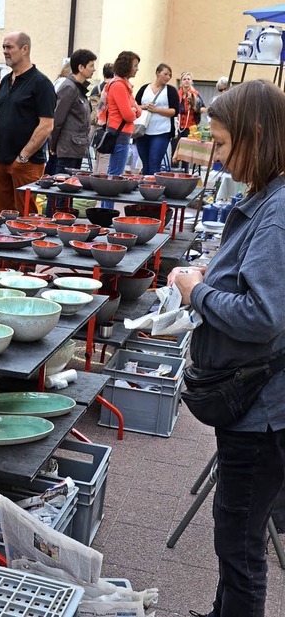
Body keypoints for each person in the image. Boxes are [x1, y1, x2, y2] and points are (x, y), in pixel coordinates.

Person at [169, 80, 285, 617]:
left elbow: (263, 316)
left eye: (219, 143)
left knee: (238, 543)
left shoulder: (278, 211)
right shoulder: (268, 198)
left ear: (255, 137)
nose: (214, 156)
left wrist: (198, 291)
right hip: (257, 402)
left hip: (262, 412)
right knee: (234, 532)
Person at [0, 31, 55, 215]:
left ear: (24, 49)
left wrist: (23, 157)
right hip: (1, 160)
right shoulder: (5, 81)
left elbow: (46, 125)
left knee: (26, 217)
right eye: (3, 47)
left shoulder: (41, 83)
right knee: (3, 216)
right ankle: (3, 244)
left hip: (26, 164)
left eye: (9, 47)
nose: (5, 51)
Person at [46, 49, 96, 216]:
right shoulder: (69, 87)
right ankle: (53, 221)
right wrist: (53, 145)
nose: (94, 69)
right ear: (81, 67)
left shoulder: (79, 88)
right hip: (66, 149)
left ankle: (63, 221)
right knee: (60, 191)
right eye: (91, 65)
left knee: (70, 190)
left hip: (75, 149)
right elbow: (57, 119)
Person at [98, 50, 141, 176]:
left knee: (116, 171)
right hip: (119, 133)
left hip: (122, 132)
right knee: (115, 174)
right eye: (135, 65)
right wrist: (133, 111)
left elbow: (138, 109)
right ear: (126, 66)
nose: (137, 69)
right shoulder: (119, 86)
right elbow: (128, 115)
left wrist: (134, 110)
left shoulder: (125, 85)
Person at [134, 63, 179, 176]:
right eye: (165, 74)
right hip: (142, 131)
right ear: (157, 73)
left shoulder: (171, 91)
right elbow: (134, 106)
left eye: (170, 75)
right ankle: (144, 189)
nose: (168, 77)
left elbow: (174, 111)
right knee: (145, 163)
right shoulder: (144, 88)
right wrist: (144, 107)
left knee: (154, 163)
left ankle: (153, 189)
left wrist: (157, 110)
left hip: (161, 131)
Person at [172, 71, 206, 169]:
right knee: (175, 150)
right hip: (177, 126)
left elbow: (204, 108)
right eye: (184, 79)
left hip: (190, 127)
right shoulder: (176, 94)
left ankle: (185, 173)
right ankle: (173, 172)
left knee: (186, 153)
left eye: (188, 79)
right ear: (181, 82)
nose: (186, 81)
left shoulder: (195, 95)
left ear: (191, 82)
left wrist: (196, 108)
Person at [90, 62, 114, 174]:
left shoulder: (96, 89)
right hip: (108, 126)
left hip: (95, 126)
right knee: (105, 157)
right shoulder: (114, 87)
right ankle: (99, 181)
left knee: (98, 156)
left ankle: (95, 176)